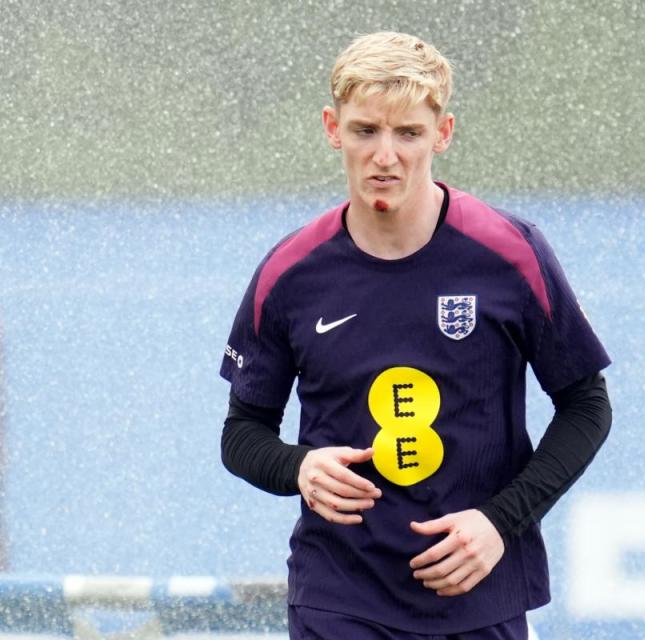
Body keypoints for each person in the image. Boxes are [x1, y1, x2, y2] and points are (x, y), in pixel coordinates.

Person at [219, 31, 612, 640]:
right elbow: (241, 434)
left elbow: (586, 406)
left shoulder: (512, 253)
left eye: (408, 134)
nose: (385, 156)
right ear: (332, 128)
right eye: (365, 130)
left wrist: (497, 522)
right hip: (340, 601)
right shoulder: (289, 273)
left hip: (481, 597)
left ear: (443, 134)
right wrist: (298, 467)